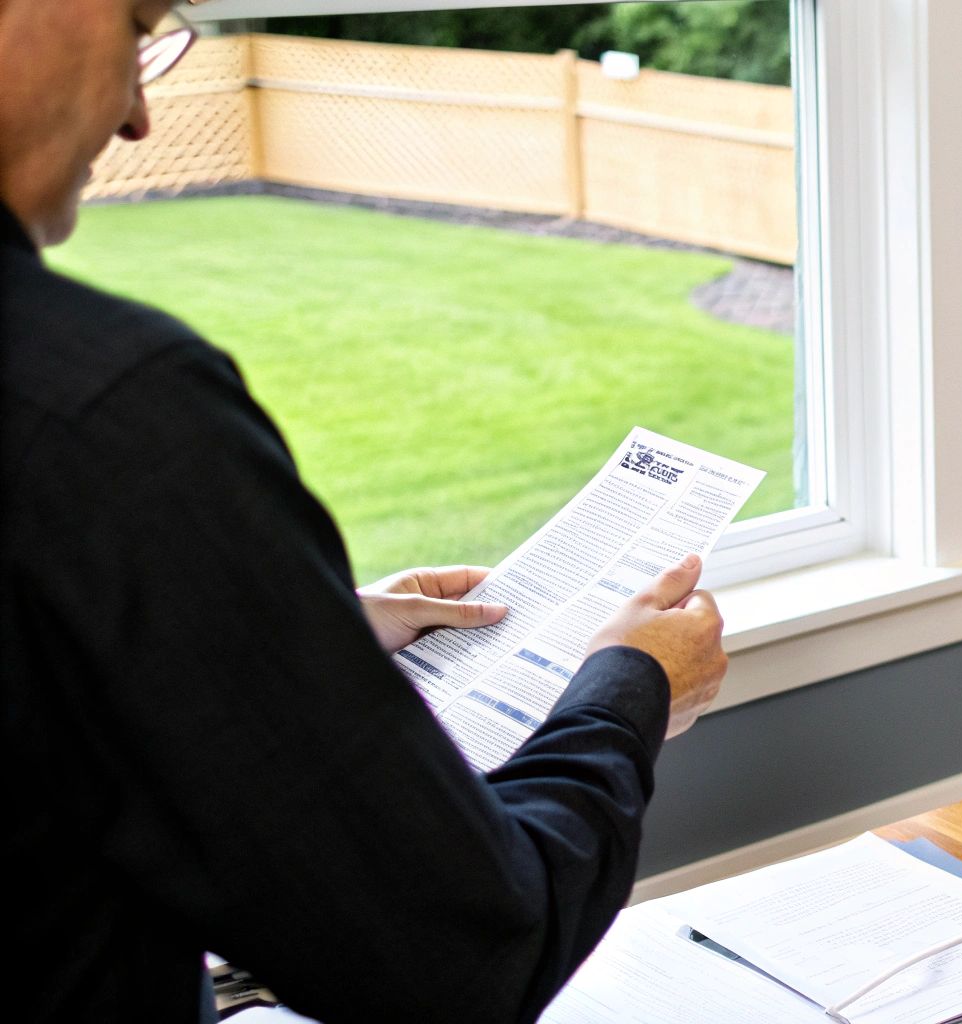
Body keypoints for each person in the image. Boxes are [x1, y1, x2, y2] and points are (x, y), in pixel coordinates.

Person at [0, 1, 729, 1020]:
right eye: (137, 28)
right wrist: (628, 686)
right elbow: (461, 956)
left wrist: (292, 635)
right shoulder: (115, 413)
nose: (137, 115)